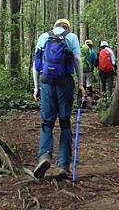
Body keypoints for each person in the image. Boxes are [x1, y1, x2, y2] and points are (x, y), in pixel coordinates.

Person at [32, 18, 86, 180]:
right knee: (64, 123)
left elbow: (36, 65)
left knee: (46, 122)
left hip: (46, 82)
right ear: (67, 27)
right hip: (65, 83)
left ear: (54, 27)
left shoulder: (43, 37)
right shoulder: (71, 37)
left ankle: (44, 156)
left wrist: (36, 88)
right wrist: (81, 84)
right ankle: (63, 165)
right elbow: (77, 60)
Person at [81, 39, 97, 109]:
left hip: (81, 71)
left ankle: (82, 100)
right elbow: (94, 61)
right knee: (89, 86)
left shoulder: (81, 51)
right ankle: (89, 103)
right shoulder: (92, 52)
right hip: (89, 71)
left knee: (82, 86)